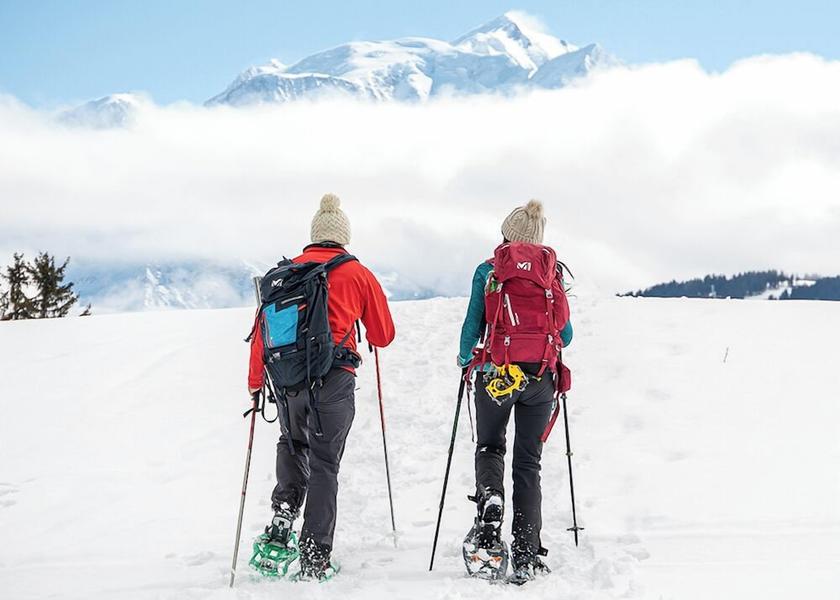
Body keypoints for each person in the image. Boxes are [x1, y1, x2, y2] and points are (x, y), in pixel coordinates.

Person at [248, 193, 395, 580]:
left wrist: (254, 384)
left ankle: (283, 515)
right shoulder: (356, 273)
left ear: (313, 236)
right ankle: (314, 557)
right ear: (343, 237)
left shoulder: (283, 276)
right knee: (325, 463)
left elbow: (261, 335)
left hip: (287, 382)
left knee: (293, 444)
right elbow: (383, 336)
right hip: (333, 378)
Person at [457, 199, 573, 585]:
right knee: (528, 463)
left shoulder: (488, 270)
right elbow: (566, 334)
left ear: (506, 235)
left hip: (495, 375)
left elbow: (472, 325)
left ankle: (491, 505)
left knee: (490, 446)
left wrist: (463, 359)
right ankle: (525, 552)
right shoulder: (549, 273)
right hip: (540, 378)